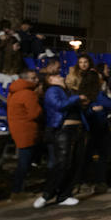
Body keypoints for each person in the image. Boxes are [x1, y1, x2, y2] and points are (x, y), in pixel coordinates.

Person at [37, 60, 86, 208]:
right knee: (63, 164)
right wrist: (77, 98)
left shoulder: (67, 91)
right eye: (56, 76)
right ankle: (47, 194)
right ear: (50, 80)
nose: (60, 76)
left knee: (74, 164)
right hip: (64, 131)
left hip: (76, 130)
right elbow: (59, 106)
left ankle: (64, 195)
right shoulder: (52, 91)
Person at [6, 69, 43, 199]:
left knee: (24, 161)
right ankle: (17, 190)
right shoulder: (28, 94)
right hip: (27, 130)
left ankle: (18, 189)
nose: (36, 80)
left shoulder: (13, 92)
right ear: (25, 80)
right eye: (33, 78)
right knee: (24, 162)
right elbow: (35, 113)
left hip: (18, 129)